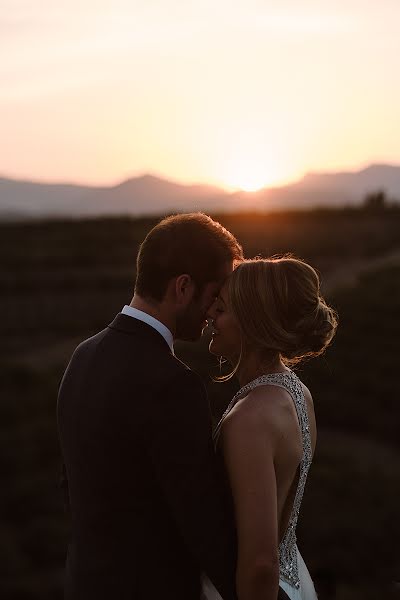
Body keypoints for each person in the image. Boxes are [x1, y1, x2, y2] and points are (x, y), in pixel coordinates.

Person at [57, 213, 245, 600]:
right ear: (183, 287)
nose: (213, 313)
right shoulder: (172, 384)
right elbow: (203, 524)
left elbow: (73, 486)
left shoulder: (83, 355)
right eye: (213, 296)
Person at [206, 256, 338, 600]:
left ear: (251, 323)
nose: (210, 316)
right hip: (297, 582)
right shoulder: (297, 392)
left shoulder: (250, 418)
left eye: (220, 309)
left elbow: (261, 562)